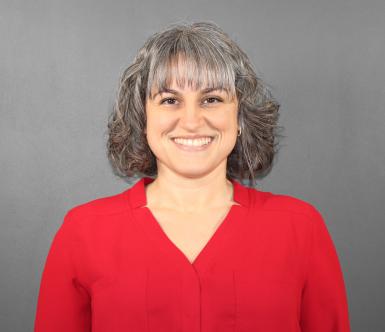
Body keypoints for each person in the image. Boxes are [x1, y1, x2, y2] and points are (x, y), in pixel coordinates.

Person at [34, 21, 351, 331]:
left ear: (239, 117)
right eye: (170, 100)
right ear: (143, 119)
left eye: (211, 99)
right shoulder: (83, 233)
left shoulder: (300, 229)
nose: (191, 121)